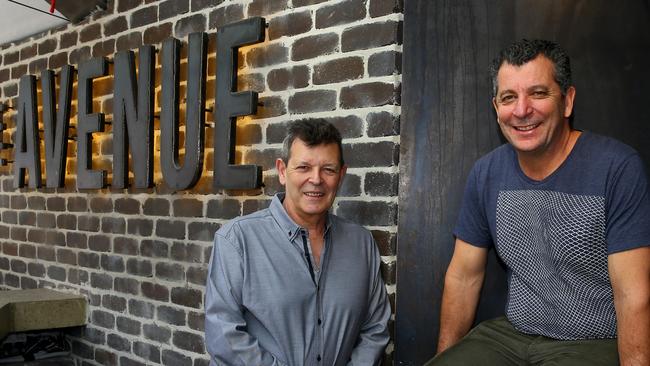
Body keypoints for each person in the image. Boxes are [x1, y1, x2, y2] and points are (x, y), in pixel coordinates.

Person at [426, 39, 650, 365]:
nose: (521, 110)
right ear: (496, 108)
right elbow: (463, 277)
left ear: (567, 101)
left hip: (594, 343)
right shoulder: (485, 173)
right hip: (511, 335)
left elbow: (633, 295)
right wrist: (446, 357)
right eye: (509, 98)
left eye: (538, 93)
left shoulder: (616, 167)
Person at [204, 119, 391, 366]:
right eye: (303, 167)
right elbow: (224, 336)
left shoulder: (362, 244)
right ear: (282, 171)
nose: (316, 179)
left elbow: (375, 329)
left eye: (329, 169)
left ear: (341, 175)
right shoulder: (237, 240)